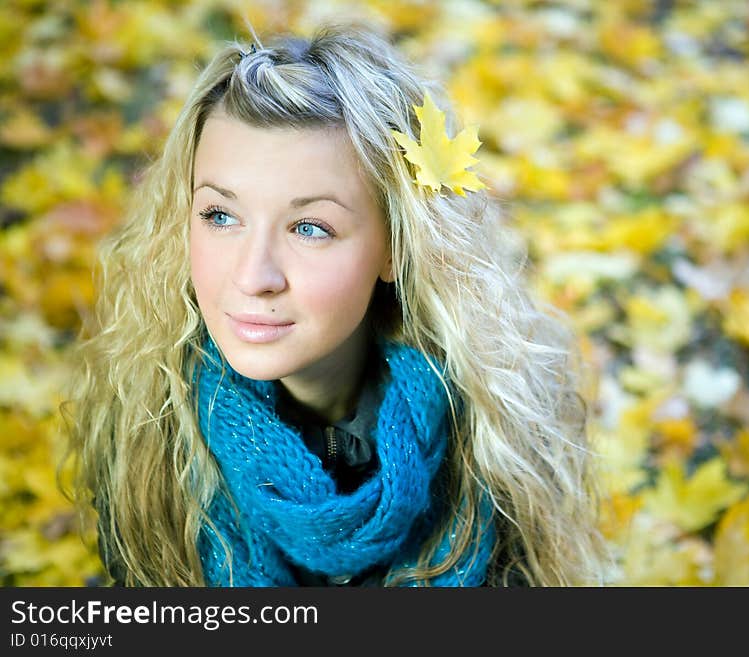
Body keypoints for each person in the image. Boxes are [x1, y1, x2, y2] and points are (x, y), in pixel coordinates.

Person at [61, 22, 608, 587]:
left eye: (310, 227)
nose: (254, 277)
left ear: (396, 246)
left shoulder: (496, 437)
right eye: (220, 216)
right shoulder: (147, 429)